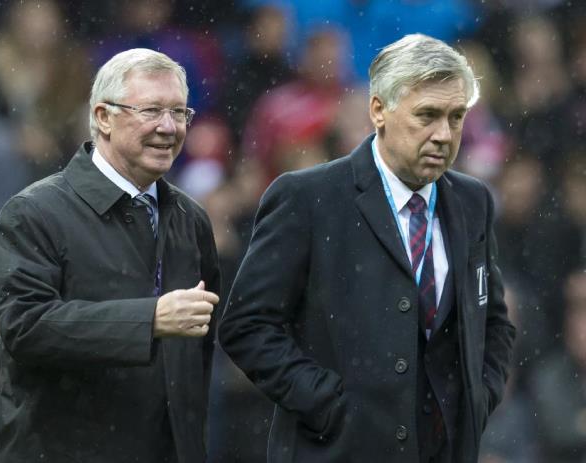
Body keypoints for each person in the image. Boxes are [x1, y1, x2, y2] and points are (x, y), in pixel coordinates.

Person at [218, 34, 515, 462]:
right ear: (378, 110)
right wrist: (330, 406)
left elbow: (494, 322)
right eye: (427, 115)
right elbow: (246, 326)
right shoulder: (307, 197)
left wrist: (478, 398)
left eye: (456, 117)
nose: (443, 134)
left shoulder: (474, 201)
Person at [0, 48, 220, 462]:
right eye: (151, 110)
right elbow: (25, 327)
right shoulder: (34, 212)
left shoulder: (191, 219)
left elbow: (200, 354)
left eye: (179, 112)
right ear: (103, 117)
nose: (168, 127)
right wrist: (149, 319)